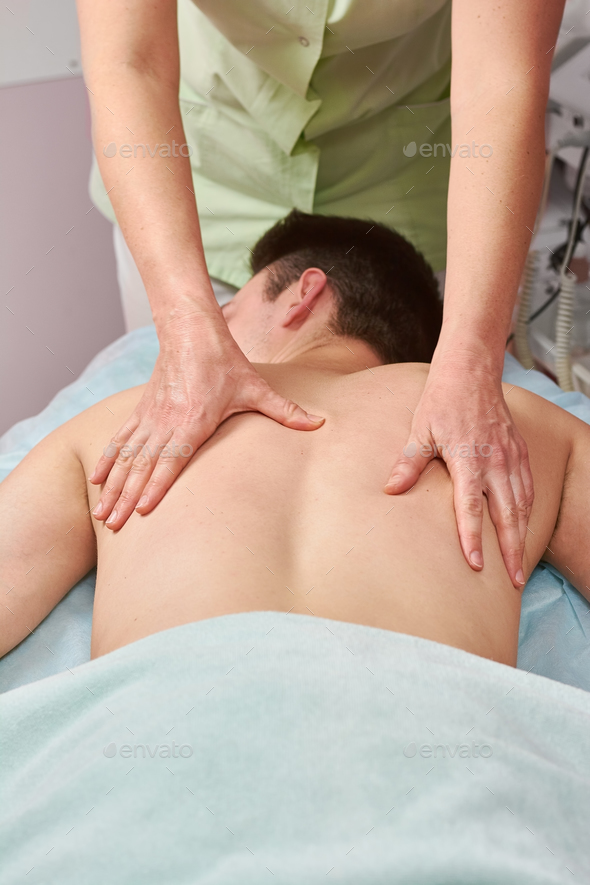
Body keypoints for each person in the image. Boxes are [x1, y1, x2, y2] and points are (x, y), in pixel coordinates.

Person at [76, 0, 568, 590]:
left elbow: (501, 81)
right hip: (207, 179)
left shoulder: (95, 434)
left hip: (408, 180)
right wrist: (187, 323)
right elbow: (131, 62)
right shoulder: (549, 437)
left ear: (306, 296)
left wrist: (471, 356)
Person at [2, 211, 587, 666]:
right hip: (445, 768)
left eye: (227, 311)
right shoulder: (518, 428)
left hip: (155, 755)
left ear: (302, 294)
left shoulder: (119, 427)